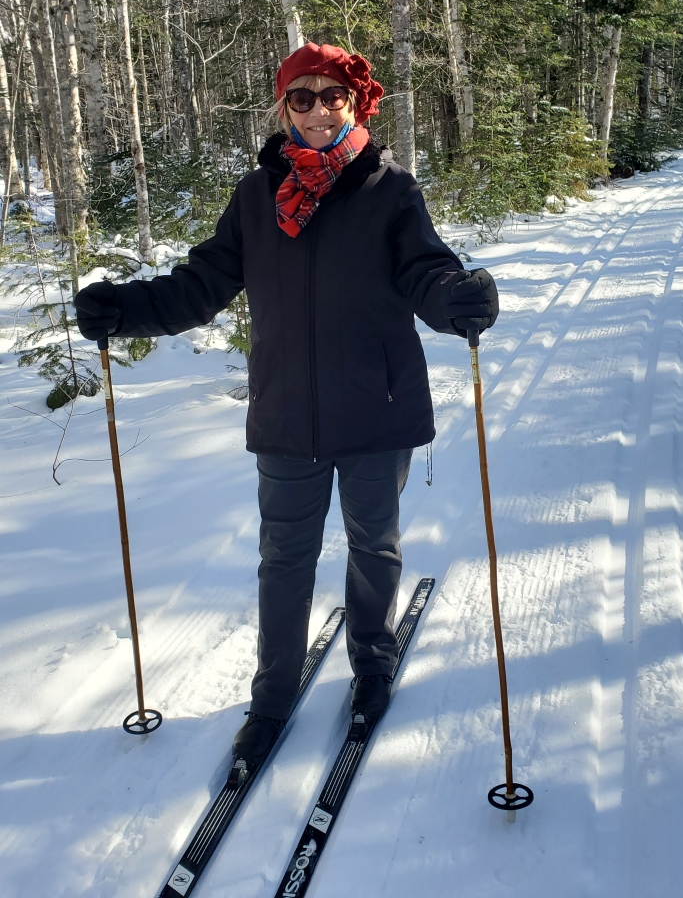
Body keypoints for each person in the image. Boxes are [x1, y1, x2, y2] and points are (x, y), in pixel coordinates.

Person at [74, 42, 498, 767]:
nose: (316, 110)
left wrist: (455, 299)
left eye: (332, 95)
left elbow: (425, 269)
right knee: (284, 560)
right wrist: (126, 309)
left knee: (374, 546)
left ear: (355, 103)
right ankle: (271, 698)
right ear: (282, 108)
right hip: (287, 414)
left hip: (376, 406)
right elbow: (201, 284)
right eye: (300, 97)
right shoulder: (256, 196)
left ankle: (371, 664)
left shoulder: (389, 190)